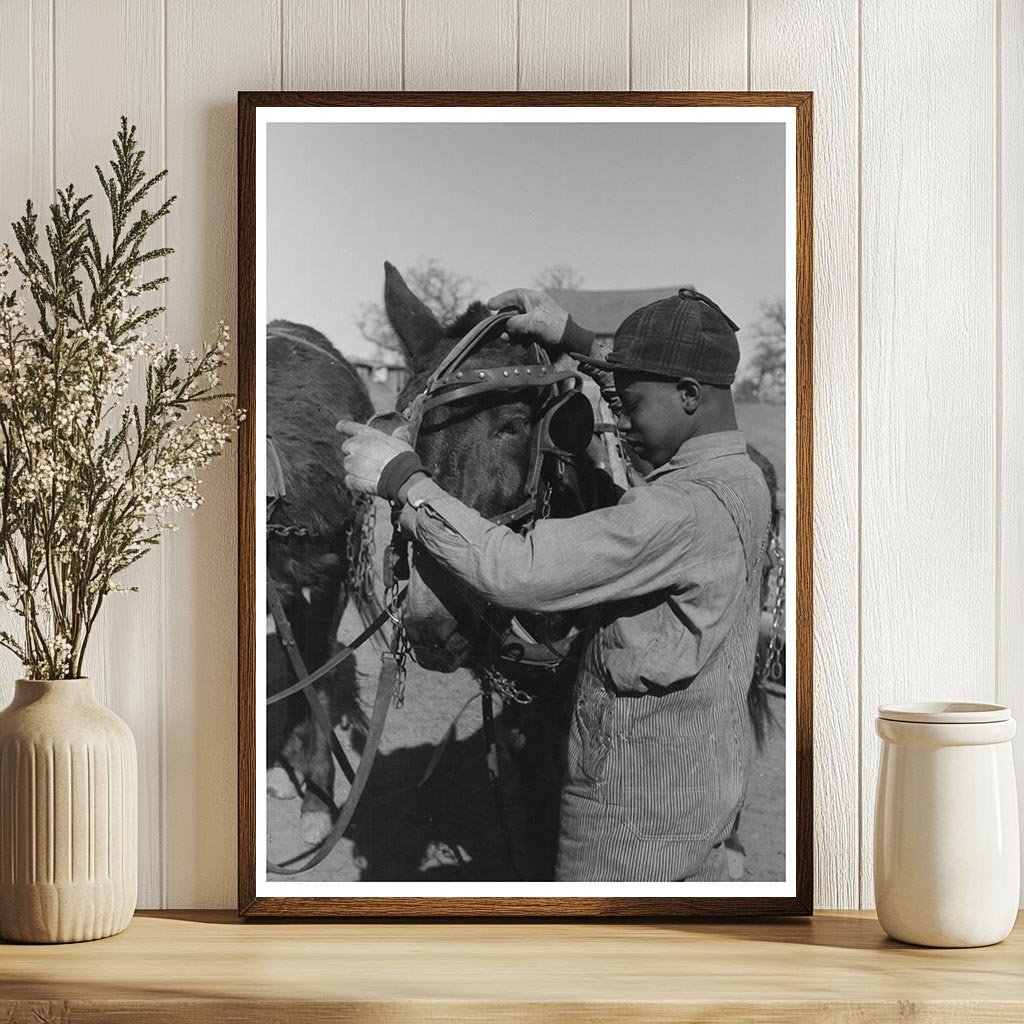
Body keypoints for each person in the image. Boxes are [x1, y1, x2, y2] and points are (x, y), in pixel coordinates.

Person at [338, 286, 772, 882]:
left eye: (630, 405)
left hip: (629, 829)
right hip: (691, 796)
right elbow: (656, 386)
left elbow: (517, 571)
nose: (619, 423)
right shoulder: (741, 480)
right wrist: (571, 336)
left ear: (690, 396)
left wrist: (403, 481)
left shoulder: (678, 511)